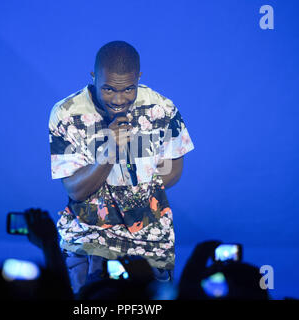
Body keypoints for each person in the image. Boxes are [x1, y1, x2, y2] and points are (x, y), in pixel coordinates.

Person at [49, 40, 194, 294]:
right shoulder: (66, 113)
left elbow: (173, 170)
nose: (118, 99)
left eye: (128, 89)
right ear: (94, 77)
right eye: (108, 89)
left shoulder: (162, 109)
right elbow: (75, 189)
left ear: (139, 78)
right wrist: (109, 151)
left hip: (150, 242)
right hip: (88, 240)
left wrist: (127, 189)